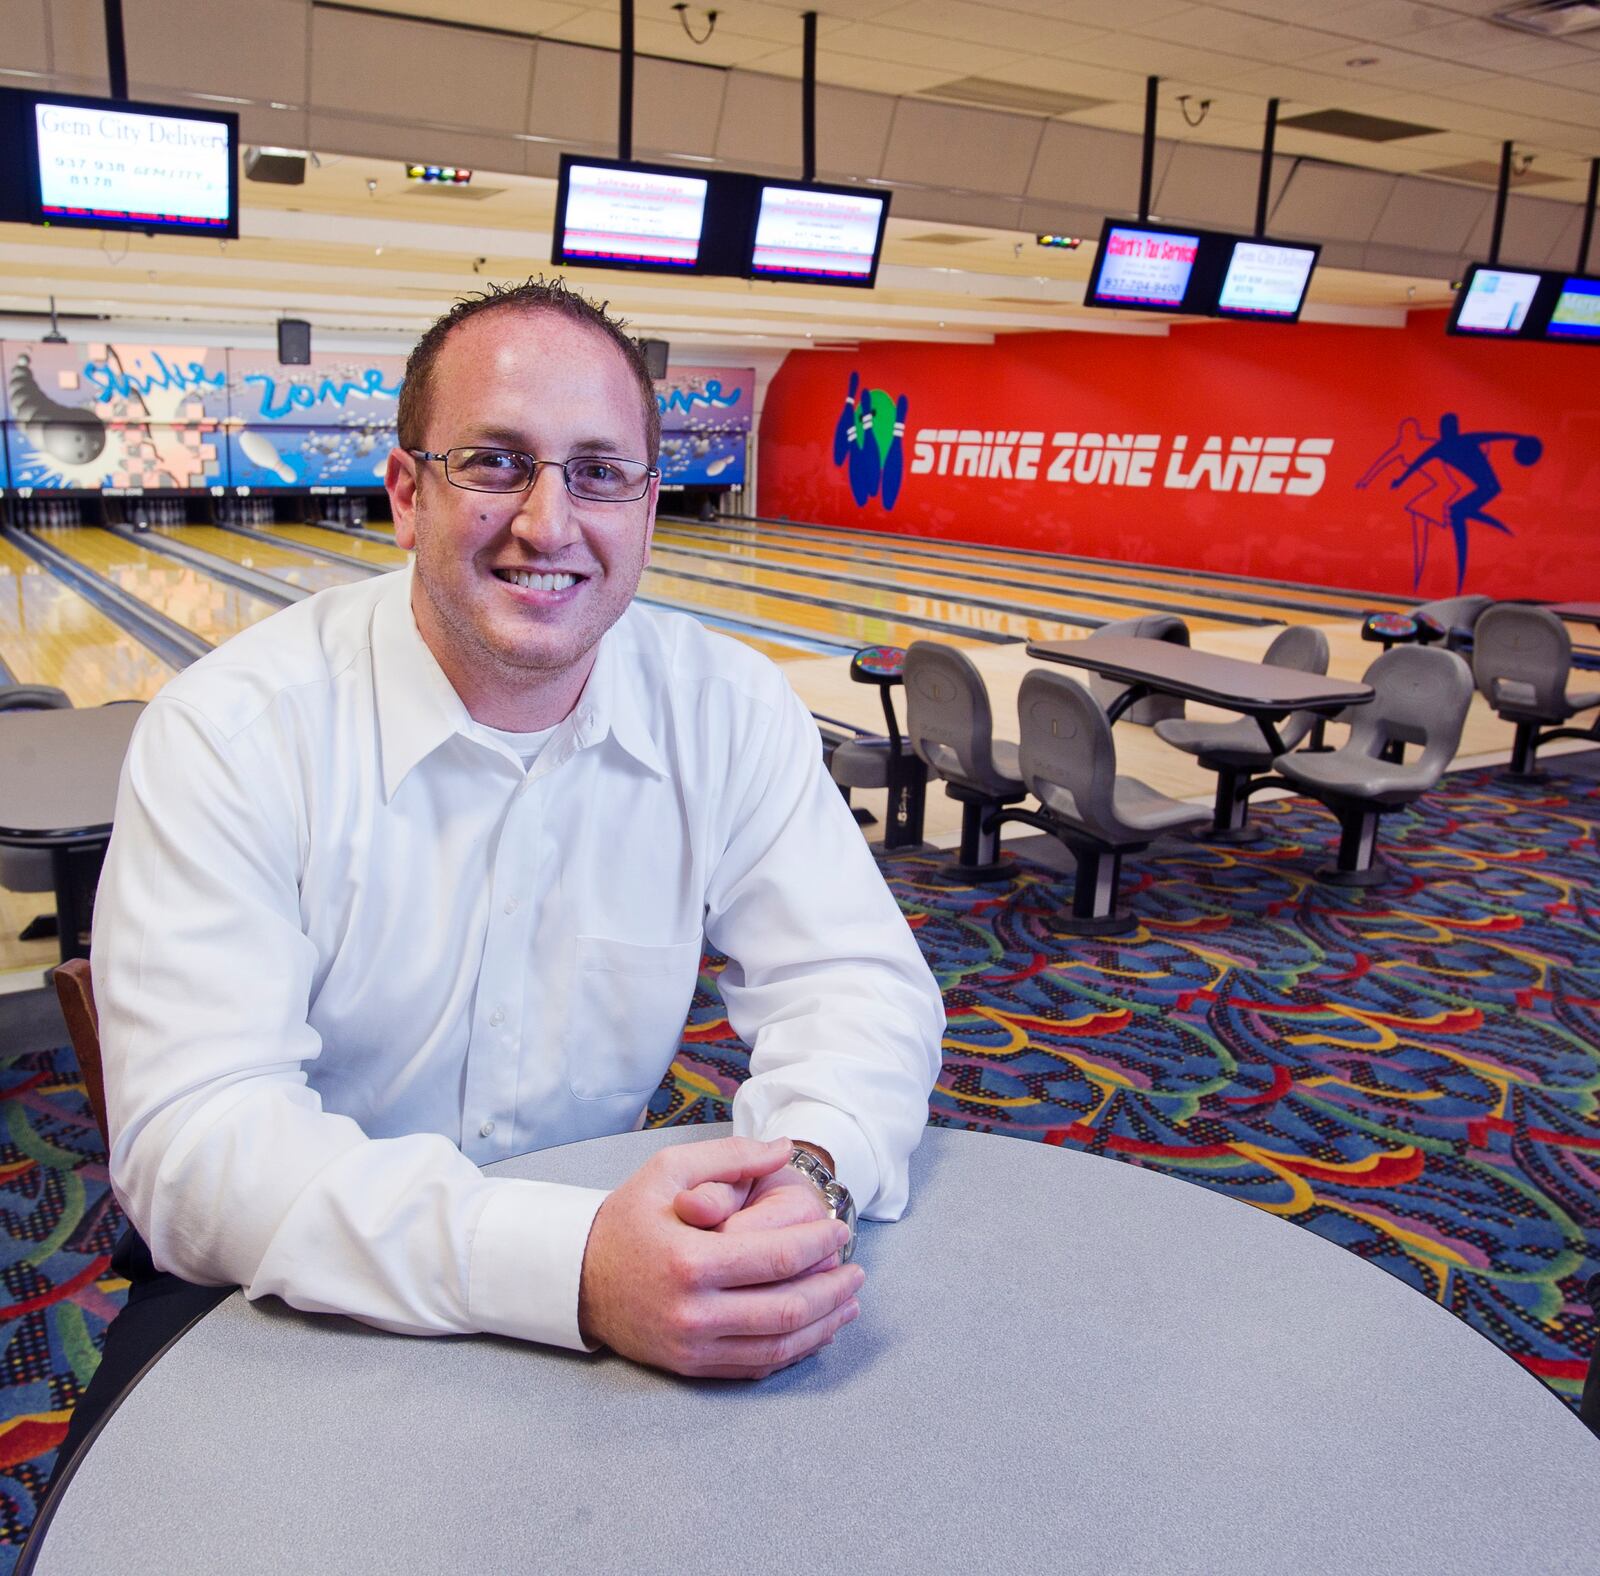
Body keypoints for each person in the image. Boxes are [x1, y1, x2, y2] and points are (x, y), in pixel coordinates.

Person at [61, 280, 943, 1473]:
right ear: (401, 494)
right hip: (281, 1279)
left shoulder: (726, 711)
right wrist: (566, 1265)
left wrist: (812, 1170)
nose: (549, 519)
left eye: (599, 472)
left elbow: (857, 985)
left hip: (613, 1255)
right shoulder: (233, 731)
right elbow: (198, 1147)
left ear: (647, 500)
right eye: (493, 462)